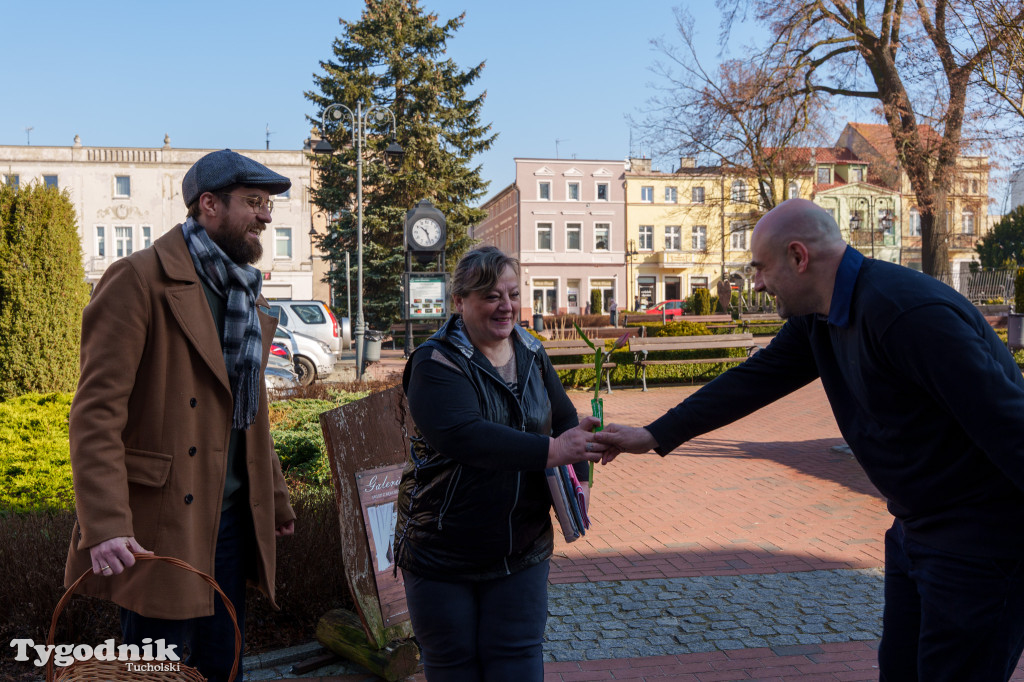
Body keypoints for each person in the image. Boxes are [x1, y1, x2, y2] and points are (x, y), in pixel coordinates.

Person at [595, 198, 1024, 682]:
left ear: (799, 257)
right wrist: (654, 434)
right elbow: (756, 379)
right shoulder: (821, 314)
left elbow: (1010, 423)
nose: (755, 282)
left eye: (760, 268)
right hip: (916, 530)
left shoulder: (905, 313)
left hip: (981, 542)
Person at [65, 149, 297, 682]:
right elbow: (95, 415)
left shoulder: (244, 291)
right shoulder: (138, 279)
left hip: (232, 518)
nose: (266, 215)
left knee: (223, 666)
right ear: (208, 205)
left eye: (268, 205)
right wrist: (104, 526)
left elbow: (249, 411)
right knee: (156, 669)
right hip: (163, 522)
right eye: (254, 202)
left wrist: (275, 497)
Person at [393, 245, 605, 680]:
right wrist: (553, 451)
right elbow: (466, 437)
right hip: (443, 552)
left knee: (518, 661)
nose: (506, 306)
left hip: (522, 547)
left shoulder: (530, 350)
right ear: (460, 302)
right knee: (455, 667)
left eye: (512, 293)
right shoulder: (434, 362)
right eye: (491, 296)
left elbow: (564, 419)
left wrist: (577, 486)